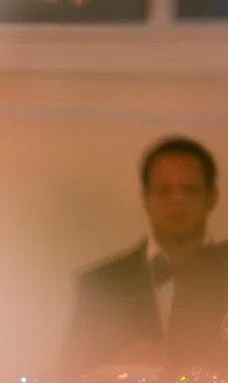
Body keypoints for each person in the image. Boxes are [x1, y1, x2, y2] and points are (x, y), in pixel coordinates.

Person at [64, 136, 228, 363]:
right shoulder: (101, 284)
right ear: (146, 198)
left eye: (188, 190)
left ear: (212, 197)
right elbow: (69, 379)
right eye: (164, 190)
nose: (177, 201)